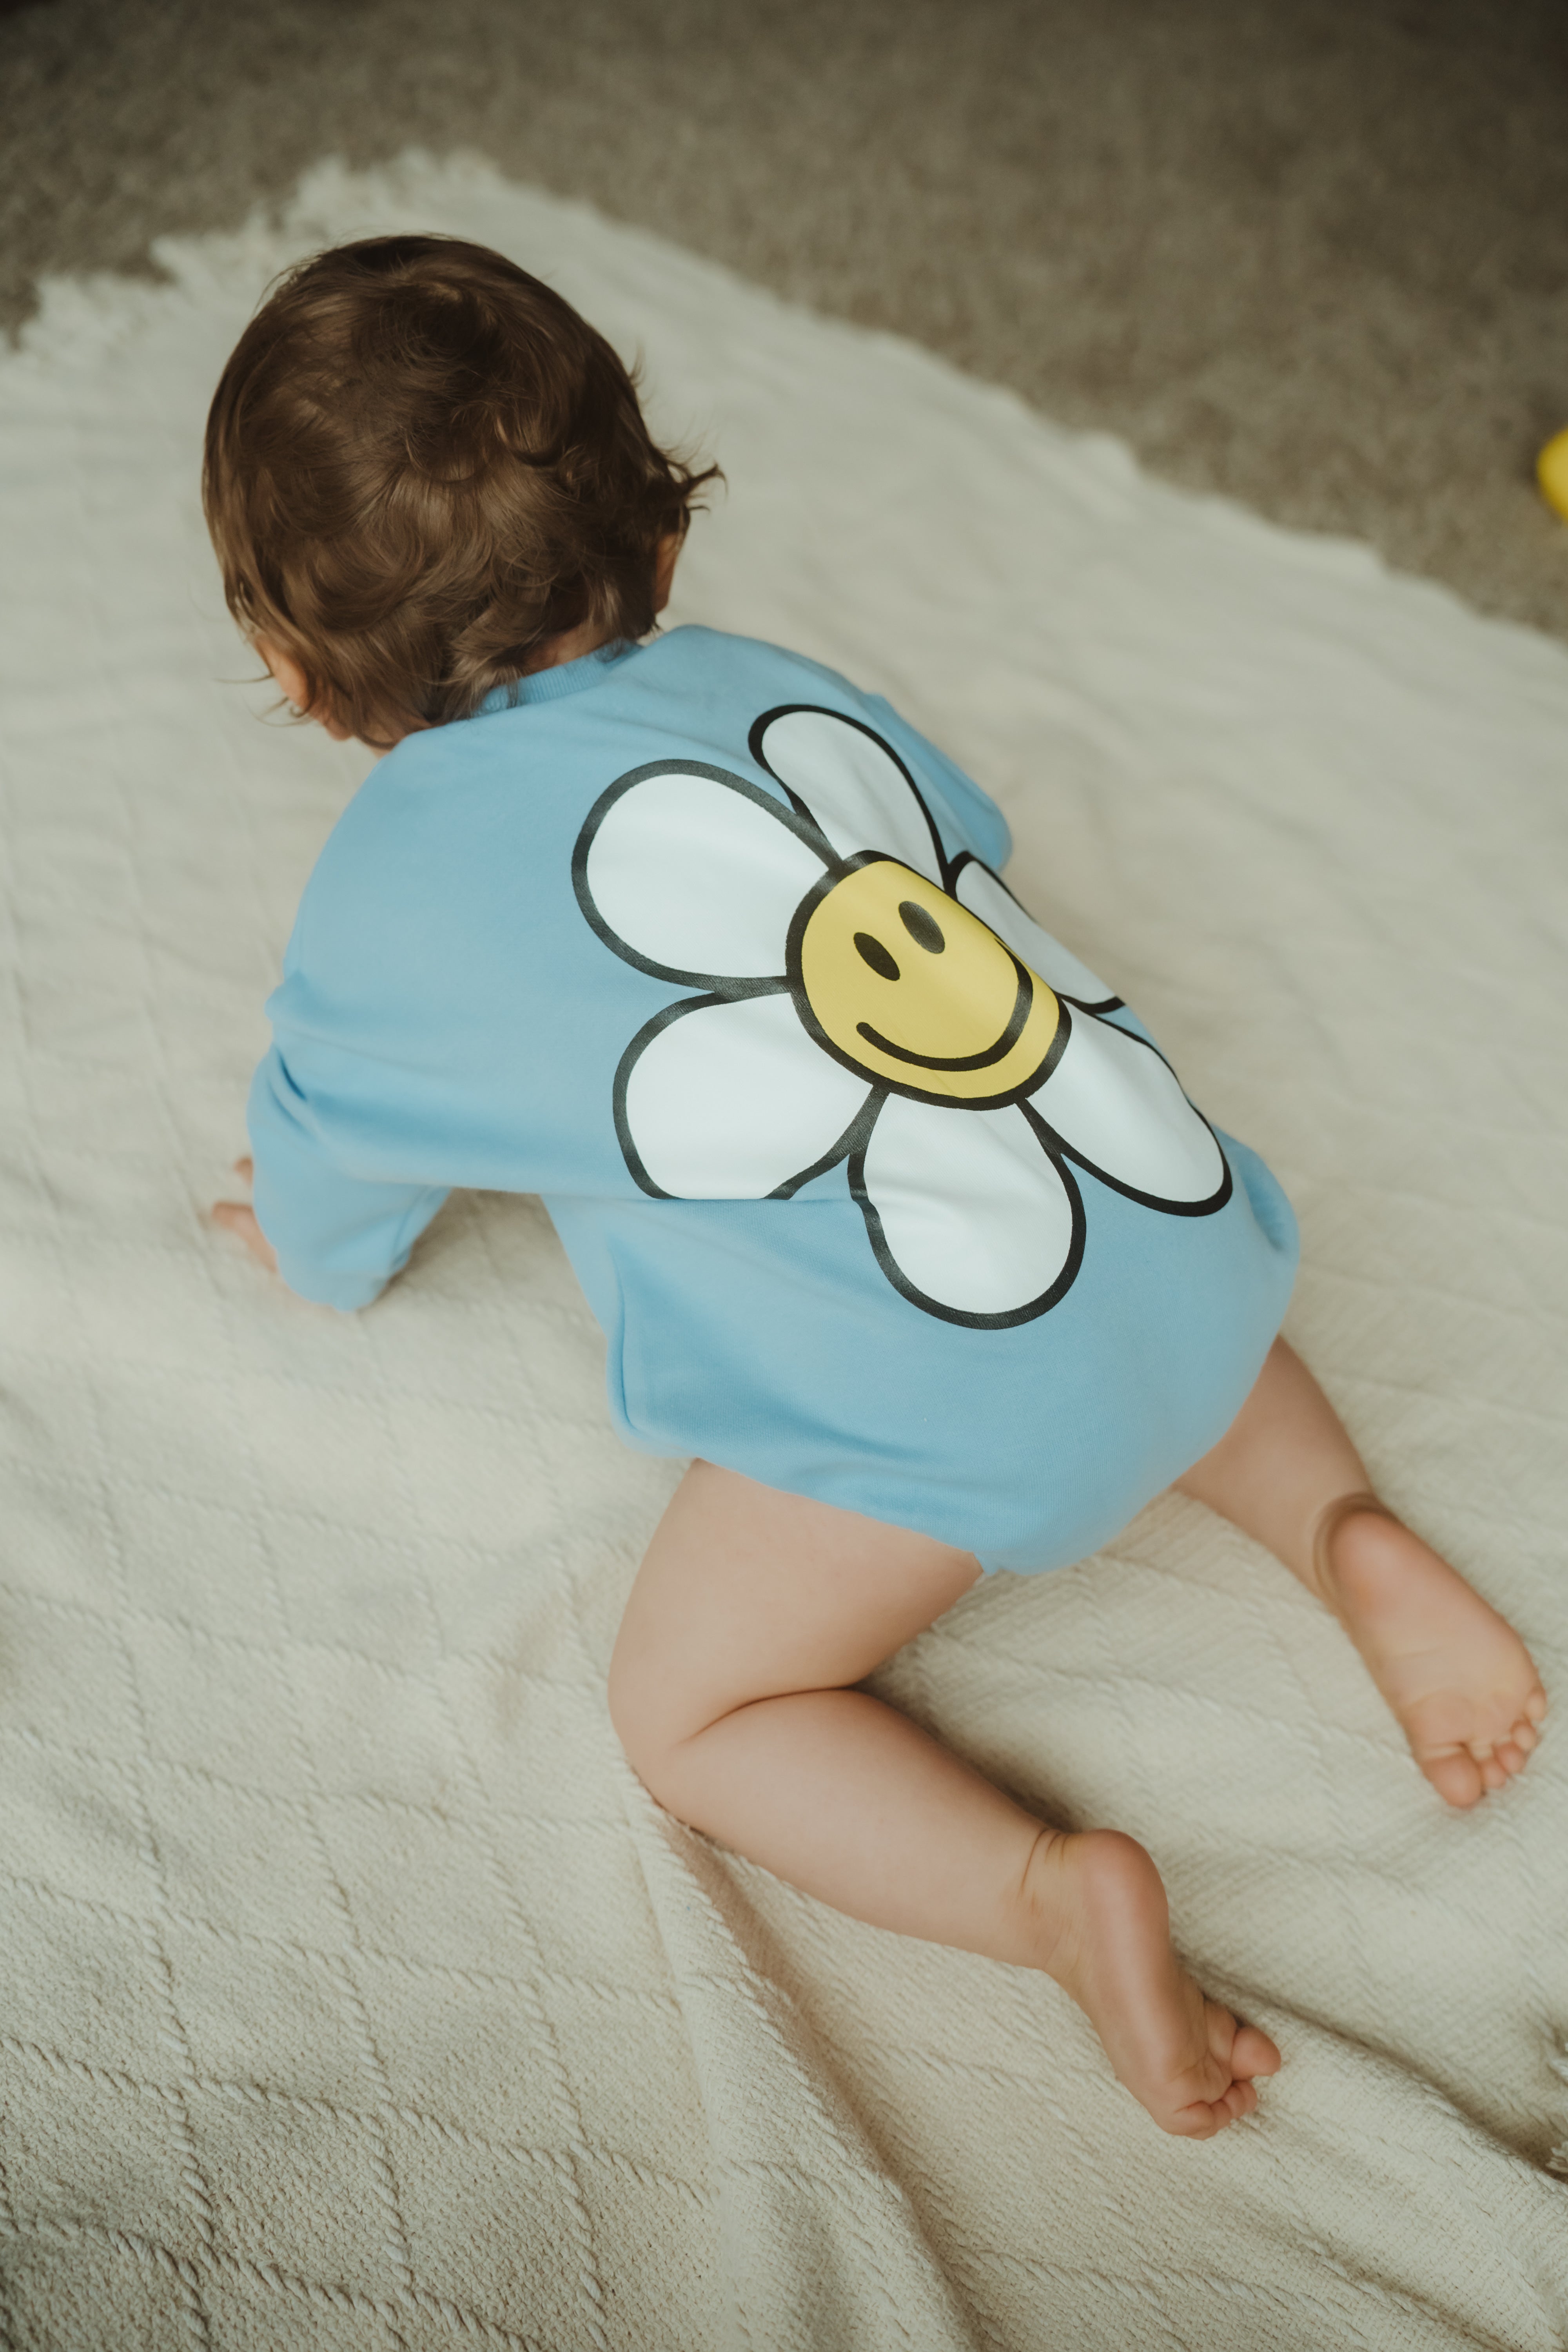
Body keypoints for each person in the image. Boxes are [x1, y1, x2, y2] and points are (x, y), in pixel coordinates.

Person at [207, 233, 1546, 2141]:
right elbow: (957, 842)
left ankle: (1043, 1894)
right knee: (1142, 1300)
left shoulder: (391, 898)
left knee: (688, 1714)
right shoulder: (783, 689)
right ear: (662, 539)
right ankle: (1344, 1532)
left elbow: (332, 1136)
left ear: (294, 673)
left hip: (934, 1408)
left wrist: (304, 1245)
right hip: (1167, 1219)